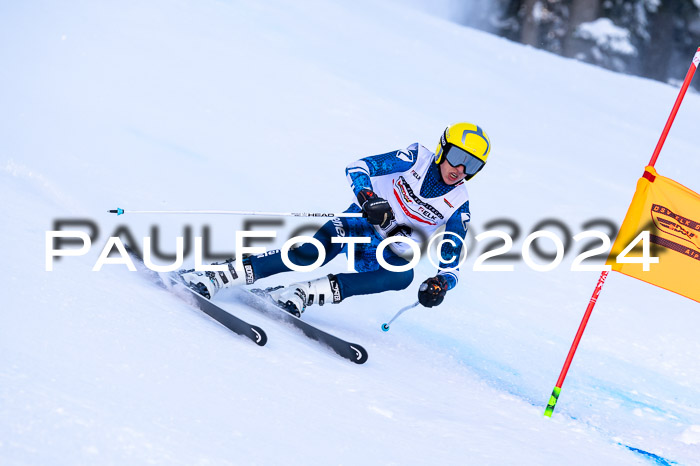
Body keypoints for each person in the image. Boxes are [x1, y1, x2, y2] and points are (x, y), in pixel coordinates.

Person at [180, 122, 491, 316]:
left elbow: (451, 260)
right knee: (309, 253)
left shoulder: (458, 205)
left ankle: (304, 293)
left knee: (402, 277)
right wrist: (368, 198)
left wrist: (441, 283)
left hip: (384, 251)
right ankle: (220, 275)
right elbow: (359, 167)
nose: (460, 170)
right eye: (458, 158)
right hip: (360, 223)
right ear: (442, 149)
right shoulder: (416, 158)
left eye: (472, 166)